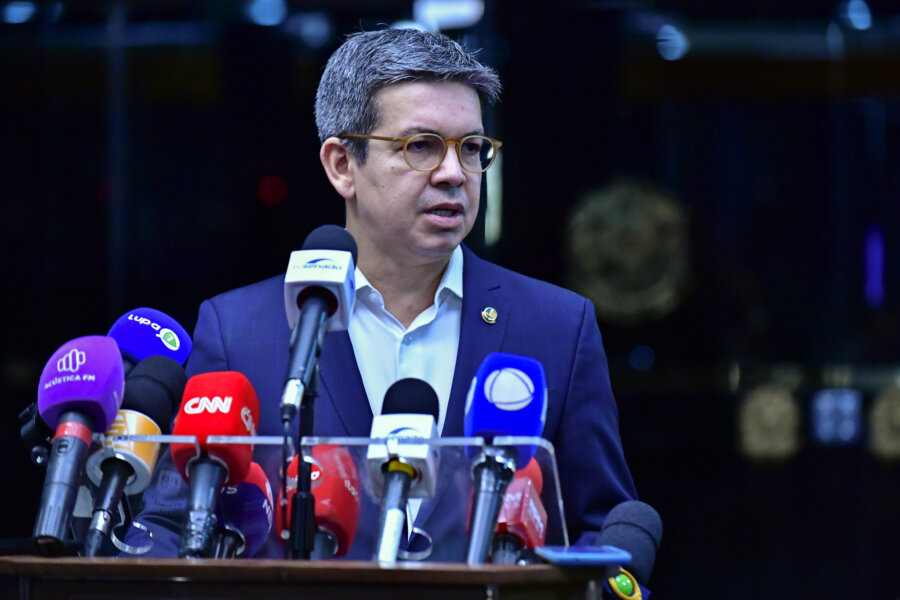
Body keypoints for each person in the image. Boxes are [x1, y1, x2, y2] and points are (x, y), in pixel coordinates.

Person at [129, 27, 637, 561]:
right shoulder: (240, 331)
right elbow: (172, 528)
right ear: (342, 165)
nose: (453, 173)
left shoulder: (558, 326)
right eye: (420, 146)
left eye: (472, 148)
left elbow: (601, 534)